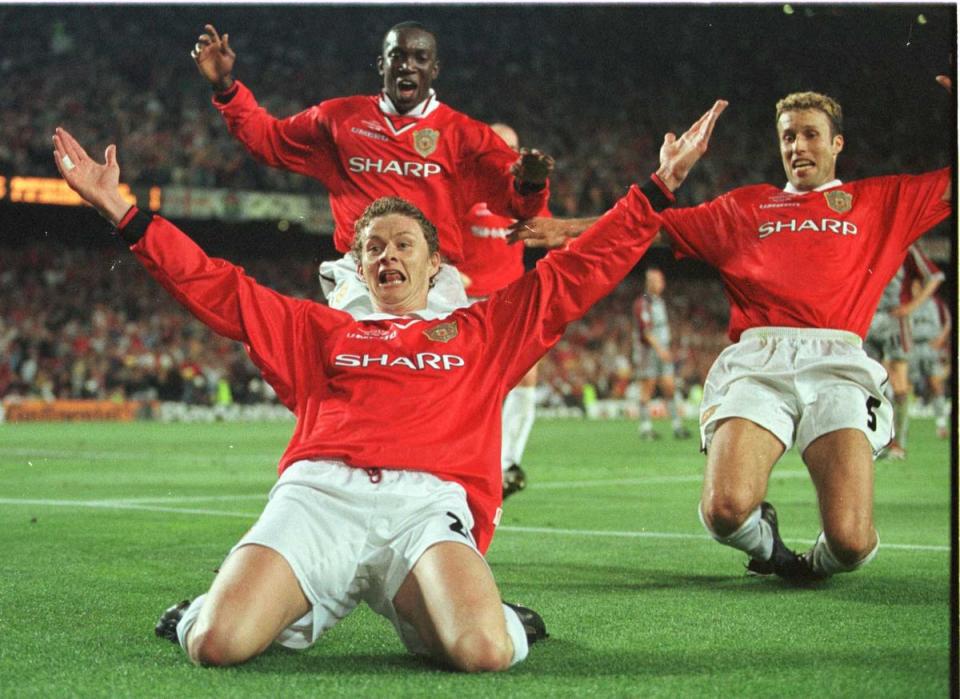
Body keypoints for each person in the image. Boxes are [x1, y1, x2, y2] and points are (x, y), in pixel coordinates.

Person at [52, 98, 727, 667]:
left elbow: (578, 271)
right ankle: (210, 604)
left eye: (405, 243)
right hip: (320, 496)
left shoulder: (481, 330)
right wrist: (122, 210)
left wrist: (657, 188)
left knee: (485, 651)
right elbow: (215, 285)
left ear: (436, 264)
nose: (388, 255)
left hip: (425, 508)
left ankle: (495, 611)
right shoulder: (320, 330)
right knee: (213, 643)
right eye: (374, 246)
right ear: (358, 263)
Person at [509, 76, 952, 581]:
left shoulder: (881, 201)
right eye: (787, 136)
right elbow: (650, 227)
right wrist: (566, 228)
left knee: (851, 543)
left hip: (839, 363)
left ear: (836, 143)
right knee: (724, 510)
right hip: (760, 359)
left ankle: (815, 565)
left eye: (810, 134)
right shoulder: (746, 207)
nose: (798, 146)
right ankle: (770, 549)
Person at [190, 22, 553, 316]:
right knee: (362, 374)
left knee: (440, 390)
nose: (408, 65)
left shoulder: (466, 136)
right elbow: (270, 141)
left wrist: (532, 184)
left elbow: (517, 208)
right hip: (362, 273)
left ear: (434, 68)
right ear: (382, 65)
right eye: (398, 55)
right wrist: (226, 87)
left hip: (433, 278)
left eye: (419, 57)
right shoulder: (340, 120)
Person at [458, 123, 551, 499]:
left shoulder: (520, 199)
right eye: (499, 145)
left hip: (507, 301)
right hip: (465, 302)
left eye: (513, 147)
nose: (507, 153)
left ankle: (507, 463)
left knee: (528, 376)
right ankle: (459, 459)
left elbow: (544, 225)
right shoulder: (464, 189)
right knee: (467, 387)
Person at [864, 243, 944, 459]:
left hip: (895, 319)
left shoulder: (905, 244)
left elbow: (935, 276)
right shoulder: (863, 238)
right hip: (866, 319)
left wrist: (912, 306)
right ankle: (875, 443)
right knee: (867, 382)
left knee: (899, 383)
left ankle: (898, 444)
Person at [632, 267, 691, 441]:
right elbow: (646, 332)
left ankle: (677, 426)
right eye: (658, 281)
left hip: (662, 350)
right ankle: (645, 428)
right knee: (647, 388)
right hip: (648, 352)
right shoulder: (643, 303)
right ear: (649, 283)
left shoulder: (659, 302)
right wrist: (660, 350)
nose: (661, 284)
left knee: (669, 387)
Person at [907, 281, 951, 440]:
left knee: (936, 384)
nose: (913, 288)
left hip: (930, 347)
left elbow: (948, 322)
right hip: (912, 348)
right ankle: (903, 429)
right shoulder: (907, 303)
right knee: (906, 386)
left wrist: (941, 340)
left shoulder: (935, 303)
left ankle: (941, 424)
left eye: (916, 286)